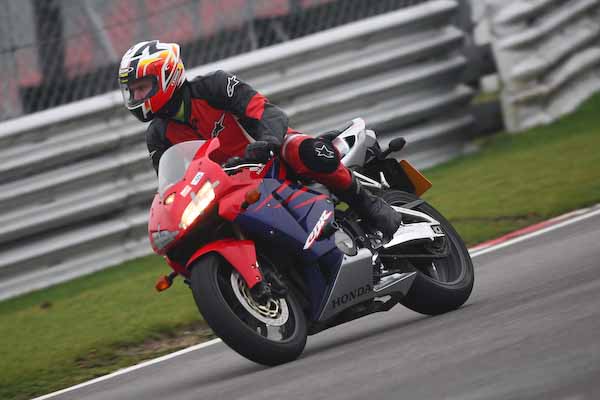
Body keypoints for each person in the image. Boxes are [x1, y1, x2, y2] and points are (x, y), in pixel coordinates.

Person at [119, 40, 401, 240]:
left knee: (304, 150)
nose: (137, 97)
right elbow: (171, 185)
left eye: (142, 87)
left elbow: (266, 112)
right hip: (226, 187)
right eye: (132, 91)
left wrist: (267, 142)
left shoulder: (213, 86)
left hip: (268, 157)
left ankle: (368, 204)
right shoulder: (158, 136)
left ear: (166, 75)